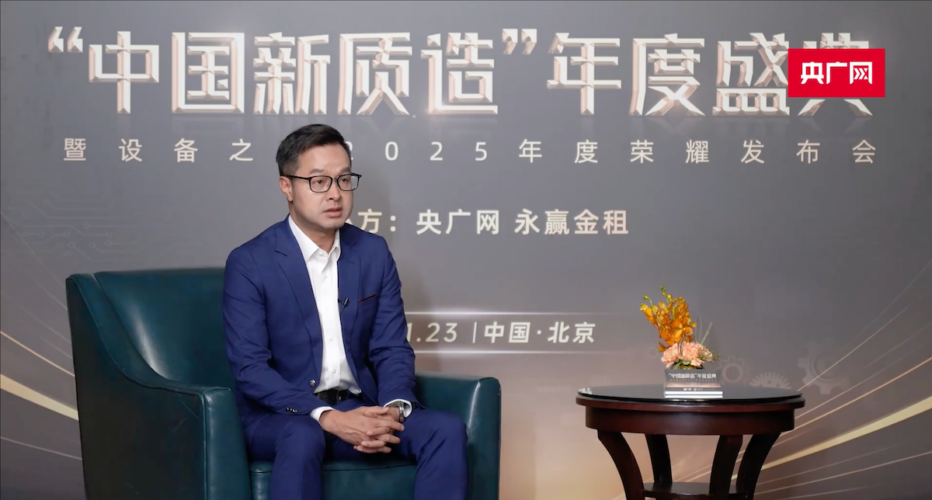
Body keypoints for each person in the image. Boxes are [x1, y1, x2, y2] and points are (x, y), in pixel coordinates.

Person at [222, 123, 468, 500]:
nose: (335, 193)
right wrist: (328, 418)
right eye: (319, 181)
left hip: (359, 406)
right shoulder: (250, 262)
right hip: (281, 418)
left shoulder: (372, 252)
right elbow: (250, 368)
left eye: (343, 179)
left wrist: (392, 409)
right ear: (287, 186)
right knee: (303, 434)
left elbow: (391, 348)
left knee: (444, 430)